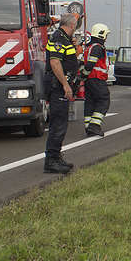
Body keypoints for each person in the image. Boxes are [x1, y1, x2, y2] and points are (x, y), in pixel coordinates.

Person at [43, 13, 79, 174]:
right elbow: (55, 62)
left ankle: (56, 157)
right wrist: (65, 85)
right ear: (72, 24)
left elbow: (68, 60)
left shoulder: (64, 39)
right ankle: (51, 160)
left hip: (60, 85)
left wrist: (73, 46)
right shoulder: (59, 39)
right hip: (58, 86)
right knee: (58, 124)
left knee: (61, 123)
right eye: (76, 25)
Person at [80, 23, 111, 137]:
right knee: (104, 100)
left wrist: (83, 76)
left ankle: (89, 127)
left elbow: (81, 64)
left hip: (89, 80)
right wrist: (86, 74)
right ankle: (94, 126)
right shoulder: (98, 47)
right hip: (97, 78)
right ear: (102, 34)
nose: (107, 38)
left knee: (90, 102)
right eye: (106, 35)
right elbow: (90, 64)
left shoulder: (88, 47)